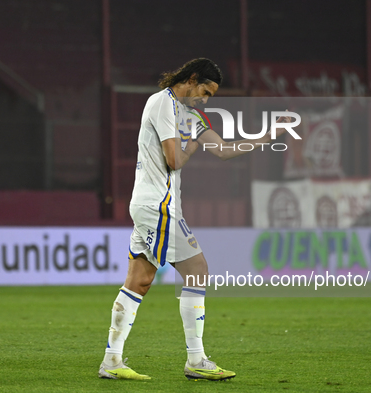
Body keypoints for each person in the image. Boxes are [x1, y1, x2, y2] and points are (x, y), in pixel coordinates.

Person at [98, 58, 289, 381]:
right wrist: (195, 143)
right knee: (198, 270)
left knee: (139, 281)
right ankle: (196, 360)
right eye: (204, 92)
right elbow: (174, 159)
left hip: (155, 205)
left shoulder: (191, 115)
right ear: (191, 78)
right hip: (157, 205)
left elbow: (225, 150)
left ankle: (112, 361)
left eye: (210, 97)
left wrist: (269, 135)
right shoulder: (161, 104)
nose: (205, 100)